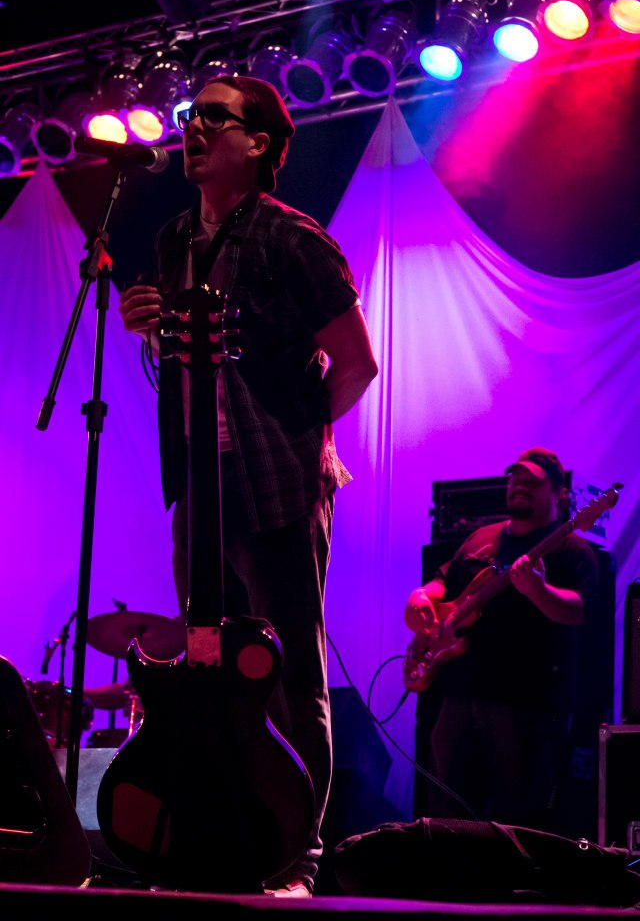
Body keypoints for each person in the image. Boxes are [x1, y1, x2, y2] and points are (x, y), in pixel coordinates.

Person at [118, 75, 378, 896]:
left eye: (214, 117)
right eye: (189, 116)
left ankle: (299, 860)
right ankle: (222, 842)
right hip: (200, 482)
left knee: (289, 671)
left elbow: (357, 361)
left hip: (276, 486)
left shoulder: (292, 238)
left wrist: (301, 443)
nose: (192, 128)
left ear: (258, 142)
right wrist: (148, 329)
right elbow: (186, 360)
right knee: (208, 670)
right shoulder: (174, 239)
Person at [404, 447, 599, 831]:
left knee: (513, 819)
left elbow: (580, 611)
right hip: (458, 696)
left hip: (522, 705)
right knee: (445, 814)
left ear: (560, 493)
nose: (519, 485)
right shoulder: (483, 538)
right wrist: (421, 596)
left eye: (532, 481)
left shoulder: (571, 549)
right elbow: (443, 581)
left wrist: (539, 591)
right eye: (515, 478)